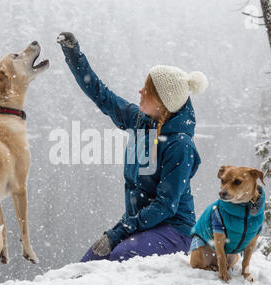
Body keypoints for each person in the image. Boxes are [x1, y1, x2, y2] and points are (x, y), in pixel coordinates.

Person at [57, 32, 208, 262]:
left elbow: (165, 206)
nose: (140, 92)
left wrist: (118, 232)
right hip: (141, 225)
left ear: (162, 102)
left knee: (120, 257)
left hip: (174, 230)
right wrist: (74, 55)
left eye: (146, 89)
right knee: (87, 264)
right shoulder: (140, 121)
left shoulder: (180, 145)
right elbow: (102, 95)